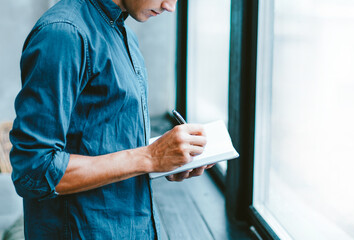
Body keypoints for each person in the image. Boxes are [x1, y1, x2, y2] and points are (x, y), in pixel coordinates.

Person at [9, 0, 213, 239]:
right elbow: (33, 170)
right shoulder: (63, 33)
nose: (170, 6)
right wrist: (149, 157)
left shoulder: (121, 32)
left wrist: (166, 160)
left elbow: (107, 141)